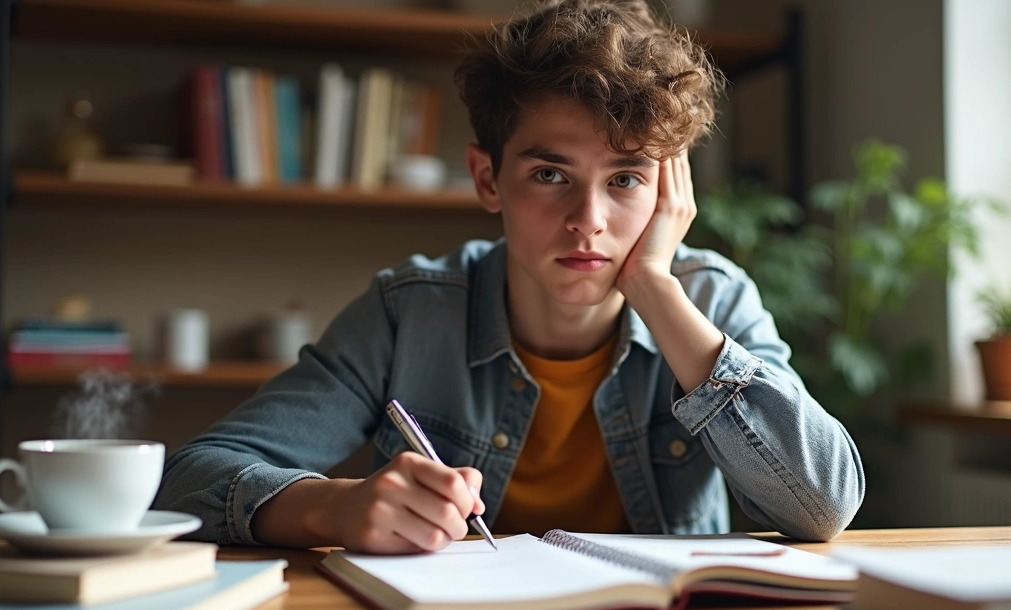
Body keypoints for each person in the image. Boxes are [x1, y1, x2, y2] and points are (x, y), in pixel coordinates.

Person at [155, 0, 864, 554]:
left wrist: (653, 286)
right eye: (550, 174)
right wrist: (333, 507)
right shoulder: (409, 311)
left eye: (625, 178)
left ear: (670, 193)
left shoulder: (710, 298)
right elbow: (191, 479)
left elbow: (823, 506)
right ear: (488, 179)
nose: (588, 221)